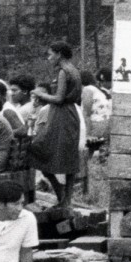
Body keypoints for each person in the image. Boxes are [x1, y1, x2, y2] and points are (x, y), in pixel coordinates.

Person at [28, 42, 82, 209]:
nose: (49, 58)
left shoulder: (63, 72)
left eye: (51, 54)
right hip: (69, 113)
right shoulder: (74, 70)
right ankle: (64, 198)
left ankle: (64, 197)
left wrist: (40, 93)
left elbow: (58, 98)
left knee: (39, 150)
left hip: (61, 115)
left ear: (59, 54)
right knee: (68, 156)